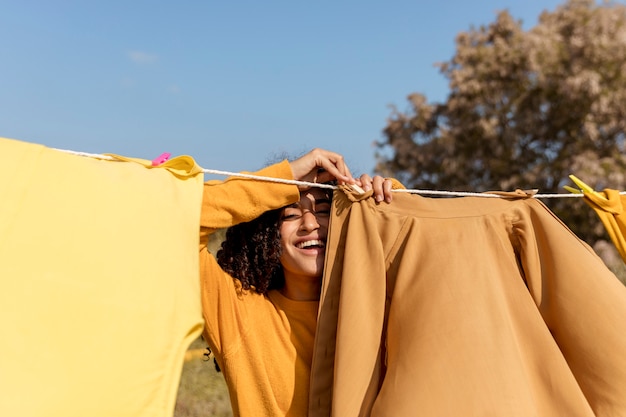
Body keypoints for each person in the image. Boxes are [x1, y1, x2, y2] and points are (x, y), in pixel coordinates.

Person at [198, 148, 396, 417]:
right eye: (290, 215)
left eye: (325, 211)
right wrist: (286, 177)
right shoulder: (239, 314)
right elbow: (180, 216)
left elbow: (425, 257)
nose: (310, 223)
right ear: (266, 234)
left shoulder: (383, 307)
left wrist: (389, 204)